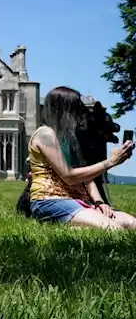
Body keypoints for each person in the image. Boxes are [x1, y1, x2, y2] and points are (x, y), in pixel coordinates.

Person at [27, 87, 136, 229]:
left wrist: (99, 202)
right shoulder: (45, 134)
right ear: (64, 110)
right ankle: (67, 225)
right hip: (50, 201)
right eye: (77, 107)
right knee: (113, 229)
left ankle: (76, 224)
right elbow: (69, 176)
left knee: (132, 223)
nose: (81, 112)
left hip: (78, 200)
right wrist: (111, 162)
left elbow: (86, 177)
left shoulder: (71, 137)